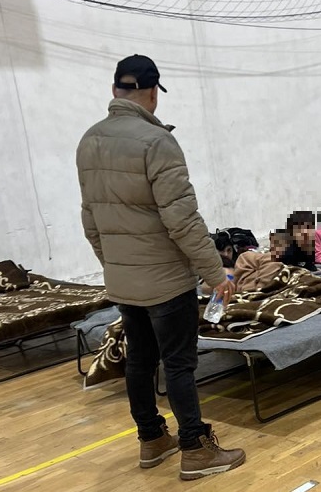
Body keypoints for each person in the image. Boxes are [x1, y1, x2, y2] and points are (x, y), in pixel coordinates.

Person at [76, 54, 245, 480]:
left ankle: (152, 439)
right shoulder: (157, 142)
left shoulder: (89, 141)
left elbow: (90, 218)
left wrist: (113, 265)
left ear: (115, 90)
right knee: (179, 363)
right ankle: (195, 448)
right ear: (153, 92)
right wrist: (215, 273)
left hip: (124, 280)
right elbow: (182, 220)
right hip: (166, 280)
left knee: (140, 360)